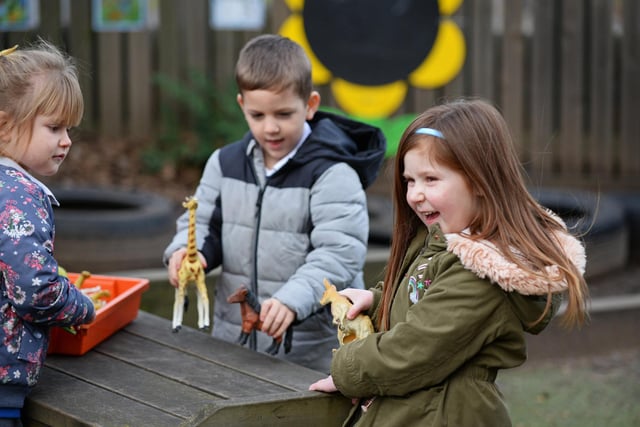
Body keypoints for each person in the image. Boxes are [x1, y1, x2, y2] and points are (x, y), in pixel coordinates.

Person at [309, 99, 589, 426]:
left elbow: (416, 348)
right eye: (410, 181)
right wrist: (379, 299)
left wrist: (347, 372)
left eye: (430, 179)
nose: (414, 194)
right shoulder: (442, 241)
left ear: (480, 182)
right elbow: (427, 299)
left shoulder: (483, 271)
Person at [163, 34, 386, 372]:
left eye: (284, 113)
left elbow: (339, 254)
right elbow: (202, 225)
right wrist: (186, 253)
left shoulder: (333, 174)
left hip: (310, 352)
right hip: (233, 339)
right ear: (241, 106)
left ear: (310, 105)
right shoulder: (224, 163)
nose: (270, 128)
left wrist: (292, 300)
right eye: (257, 115)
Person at [0, 41, 96, 426]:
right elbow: (34, 290)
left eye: (69, 129)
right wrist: (81, 305)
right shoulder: (19, 196)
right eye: (54, 127)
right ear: (4, 125)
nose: (66, 140)